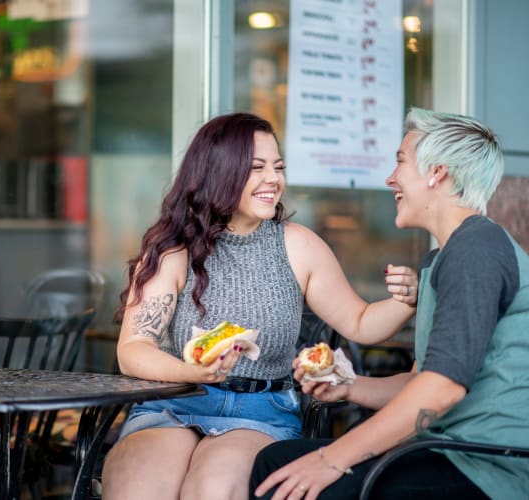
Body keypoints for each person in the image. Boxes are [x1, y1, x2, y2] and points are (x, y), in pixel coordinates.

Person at [100, 112, 419, 500]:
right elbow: (134, 350)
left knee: (212, 490)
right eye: (257, 168)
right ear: (220, 172)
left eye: (278, 167)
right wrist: (193, 371)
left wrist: (407, 300)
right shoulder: (173, 250)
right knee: (141, 490)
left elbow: (362, 322)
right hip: (172, 402)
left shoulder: (298, 245)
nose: (274, 179)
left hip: (260, 411)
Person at [250, 108, 529, 500]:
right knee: (277, 463)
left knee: (292, 480)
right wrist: (350, 387)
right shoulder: (444, 256)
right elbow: (420, 381)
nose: (390, 179)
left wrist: (332, 459)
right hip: (449, 452)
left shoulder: (477, 249)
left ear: (436, 173)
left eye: (400, 162)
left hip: (492, 469)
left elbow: (441, 390)